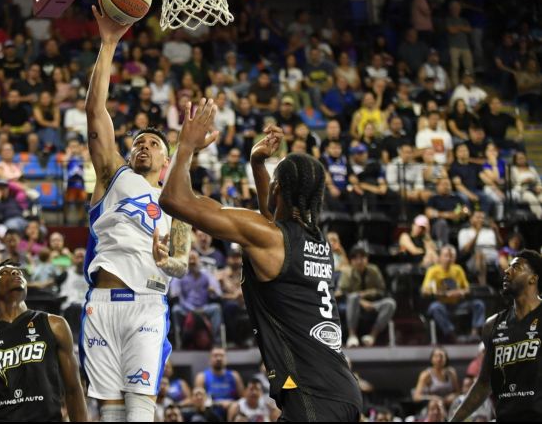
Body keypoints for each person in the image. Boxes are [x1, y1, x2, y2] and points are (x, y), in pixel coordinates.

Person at [160, 109, 362, 420]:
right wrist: (258, 164)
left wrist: (185, 145)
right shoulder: (316, 240)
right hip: (341, 392)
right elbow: (273, 220)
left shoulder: (271, 239)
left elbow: (174, 200)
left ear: (279, 188)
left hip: (312, 396)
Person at [77, 6, 193, 422]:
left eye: (154, 143)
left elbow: (181, 264)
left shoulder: (177, 201)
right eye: (138, 141)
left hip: (148, 303)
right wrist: (108, 43)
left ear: (165, 161)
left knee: (140, 411)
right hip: (103, 301)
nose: (143, 145)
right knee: (108, 412)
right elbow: (95, 113)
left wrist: (169, 261)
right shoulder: (113, 175)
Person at [0, 262, 87, 421]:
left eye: (17, 272)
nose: (15, 273)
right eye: (6, 272)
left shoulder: (55, 324)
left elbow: (74, 389)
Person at [452, 250, 542, 421]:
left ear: (533, 278)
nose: (507, 271)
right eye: (508, 267)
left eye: (516, 267)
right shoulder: (492, 325)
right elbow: (484, 383)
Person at [421, 245, 485, 343]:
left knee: (478, 304)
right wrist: (445, 294)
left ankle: (474, 333)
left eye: (452, 256)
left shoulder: (458, 269)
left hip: (457, 304)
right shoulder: (433, 271)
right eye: (446, 256)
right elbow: (425, 291)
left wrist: (460, 292)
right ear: (440, 257)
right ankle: (452, 335)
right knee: (435, 307)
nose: (449, 259)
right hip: (441, 304)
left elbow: (467, 289)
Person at [338, 247, 397, 348]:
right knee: (353, 297)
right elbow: (343, 293)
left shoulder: (374, 270)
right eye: (356, 259)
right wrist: (361, 301)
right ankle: (352, 336)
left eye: (362, 258)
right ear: (351, 261)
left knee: (390, 303)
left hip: (373, 303)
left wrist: (366, 295)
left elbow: (381, 290)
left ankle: (372, 336)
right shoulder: (347, 272)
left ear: (367, 259)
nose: (360, 261)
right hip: (354, 304)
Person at [194, 347, 244, 412]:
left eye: (221, 356)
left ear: (226, 359)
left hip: (232, 410)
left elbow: (243, 399)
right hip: (210, 411)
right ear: (210, 359)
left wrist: (232, 404)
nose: (219, 358)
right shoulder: (201, 377)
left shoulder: (234, 375)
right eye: (215, 356)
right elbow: (198, 401)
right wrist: (218, 403)